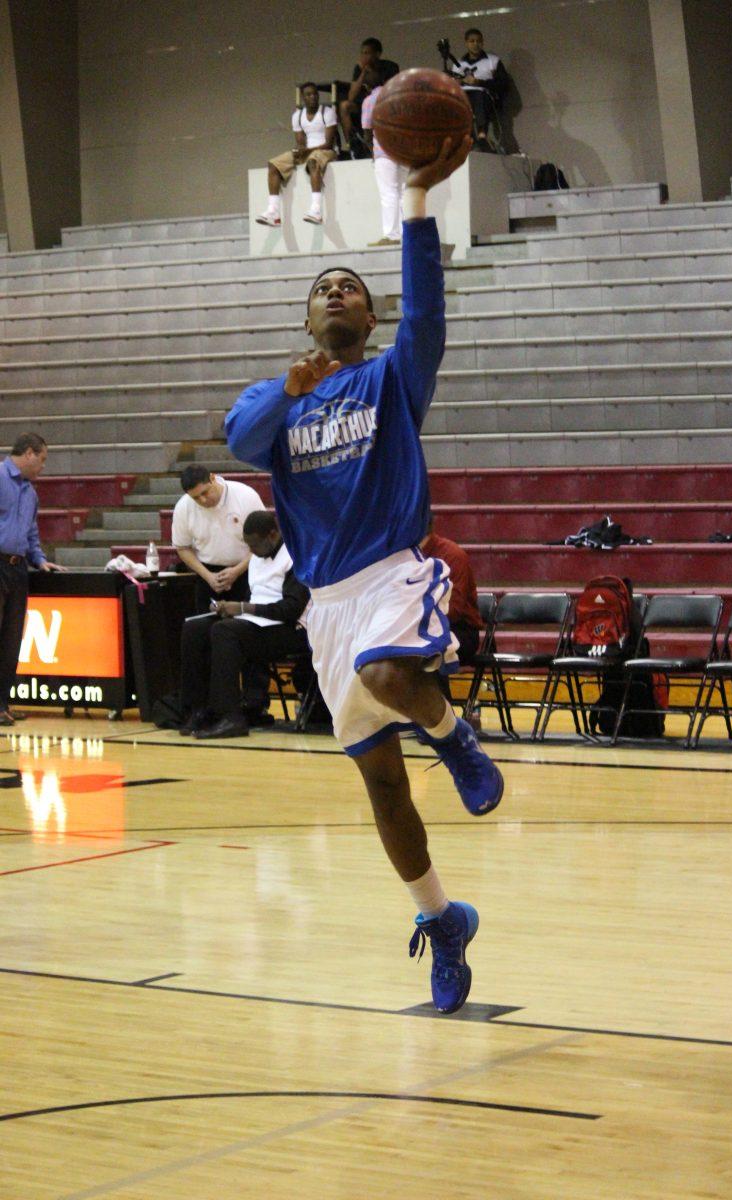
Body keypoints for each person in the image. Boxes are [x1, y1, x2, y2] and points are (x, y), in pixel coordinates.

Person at [226, 133, 505, 1017]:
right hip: (328, 609)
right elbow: (237, 441)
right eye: (322, 289)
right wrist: (293, 385)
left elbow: (429, 315)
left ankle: (457, 736)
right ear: (308, 322)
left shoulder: (393, 378)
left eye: (350, 285)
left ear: (371, 313)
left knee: (392, 674)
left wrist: (416, 201)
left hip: (393, 572)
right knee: (382, 784)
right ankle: (442, 919)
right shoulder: (276, 404)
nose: (337, 291)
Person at [180, 511, 310, 738]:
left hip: (291, 630)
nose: (252, 551)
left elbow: (290, 610)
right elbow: (256, 599)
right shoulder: (257, 558)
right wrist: (229, 609)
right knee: (195, 628)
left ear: (273, 534)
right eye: (248, 545)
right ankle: (200, 709)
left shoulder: (295, 557)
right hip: (259, 622)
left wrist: (241, 609)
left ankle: (230, 716)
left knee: (226, 632)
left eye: (256, 544)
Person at [0, 433, 66, 727]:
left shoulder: (30, 492)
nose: (42, 467)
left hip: (17, 568)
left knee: (12, 639)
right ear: (28, 453)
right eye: (41, 460)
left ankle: (2, 704)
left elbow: (31, 533)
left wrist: (39, 559)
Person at [171, 465, 264, 613]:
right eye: (195, 498)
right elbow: (183, 548)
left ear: (213, 478)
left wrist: (237, 571)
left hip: (248, 571)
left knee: (244, 629)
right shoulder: (183, 507)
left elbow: (263, 542)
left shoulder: (246, 496)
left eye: (205, 492)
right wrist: (208, 576)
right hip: (207, 574)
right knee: (204, 628)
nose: (202, 500)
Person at [257, 83, 338, 229]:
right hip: (308, 151)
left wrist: (307, 151)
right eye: (308, 95)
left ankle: (316, 210)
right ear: (303, 98)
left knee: (313, 161)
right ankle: (274, 212)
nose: (313, 97)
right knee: (273, 164)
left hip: (325, 151)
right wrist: (299, 151)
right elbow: (301, 143)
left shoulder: (327, 112)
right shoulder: (298, 116)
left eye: (315, 94)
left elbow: (329, 143)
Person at [420, 517, 482, 669]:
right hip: (420, 626)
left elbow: (454, 611)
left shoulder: (452, 555)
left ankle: (438, 693)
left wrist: (416, 616)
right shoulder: (402, 556)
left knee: (427, 652)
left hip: (459, 630)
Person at [360, 67, 407, 245]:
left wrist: (371, 150)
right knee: (403, 193)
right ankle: (406, 234)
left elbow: (366, 131)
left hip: (384, 151)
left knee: (388, 193)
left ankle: (391, 234)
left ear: (366, 85)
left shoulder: (369, 100)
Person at [450, 28, 509, 152]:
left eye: (478, 41)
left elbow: (503, 84)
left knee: (478, 95)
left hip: (486, 96)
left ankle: (482, 135)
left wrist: (479, 82)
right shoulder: (458, 65)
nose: (475, 44)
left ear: (482, 42)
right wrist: (458, 83)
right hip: (464, 95)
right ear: (466, 43)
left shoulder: (493, 61)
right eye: (472, 41)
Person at [339, 37, 399, 158]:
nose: (364, 56)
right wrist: (362, 73)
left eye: (367, 53)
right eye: (362, 53)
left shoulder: (390, 66)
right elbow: (351, 96)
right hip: (364, 104)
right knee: (344, 106)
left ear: (377, 53)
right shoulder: (360, 69)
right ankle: (351, 145)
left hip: (382, 103)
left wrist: (371, 73)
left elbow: (389, 88)